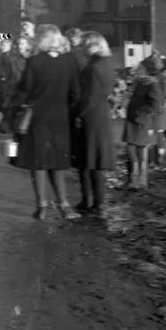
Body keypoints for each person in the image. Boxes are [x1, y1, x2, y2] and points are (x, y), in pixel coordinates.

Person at [6, 24, 81, 221]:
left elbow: (24, 90)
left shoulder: (35, 62)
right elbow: (76, 93)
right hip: (60, 118)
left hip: (37, 118)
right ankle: (64, 205)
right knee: (57, 162)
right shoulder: (70, 62)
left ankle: (42, 206)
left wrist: (12, 110)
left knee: (38, 162)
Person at [73, 32, 116, 218]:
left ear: (94, 46)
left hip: (91, 118)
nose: (82, 48)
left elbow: (88, 97)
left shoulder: (93, 68)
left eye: (85, 45)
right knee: (95, 161)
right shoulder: (106, 65)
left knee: (87, 161)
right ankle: (97, 202)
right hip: (101, 116)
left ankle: (90, 201)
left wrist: (77, 114)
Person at [123, 55, 165, 190]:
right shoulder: (141, 82)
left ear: (146, 69)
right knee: (135, 149)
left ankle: (138, 181)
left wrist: (142, 114)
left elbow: (157, 107)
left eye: (141, 67)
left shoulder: (151, 84)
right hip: (134, 120)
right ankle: (136, 181)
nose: (138, 68)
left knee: (136, 150)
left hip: (140, 122)